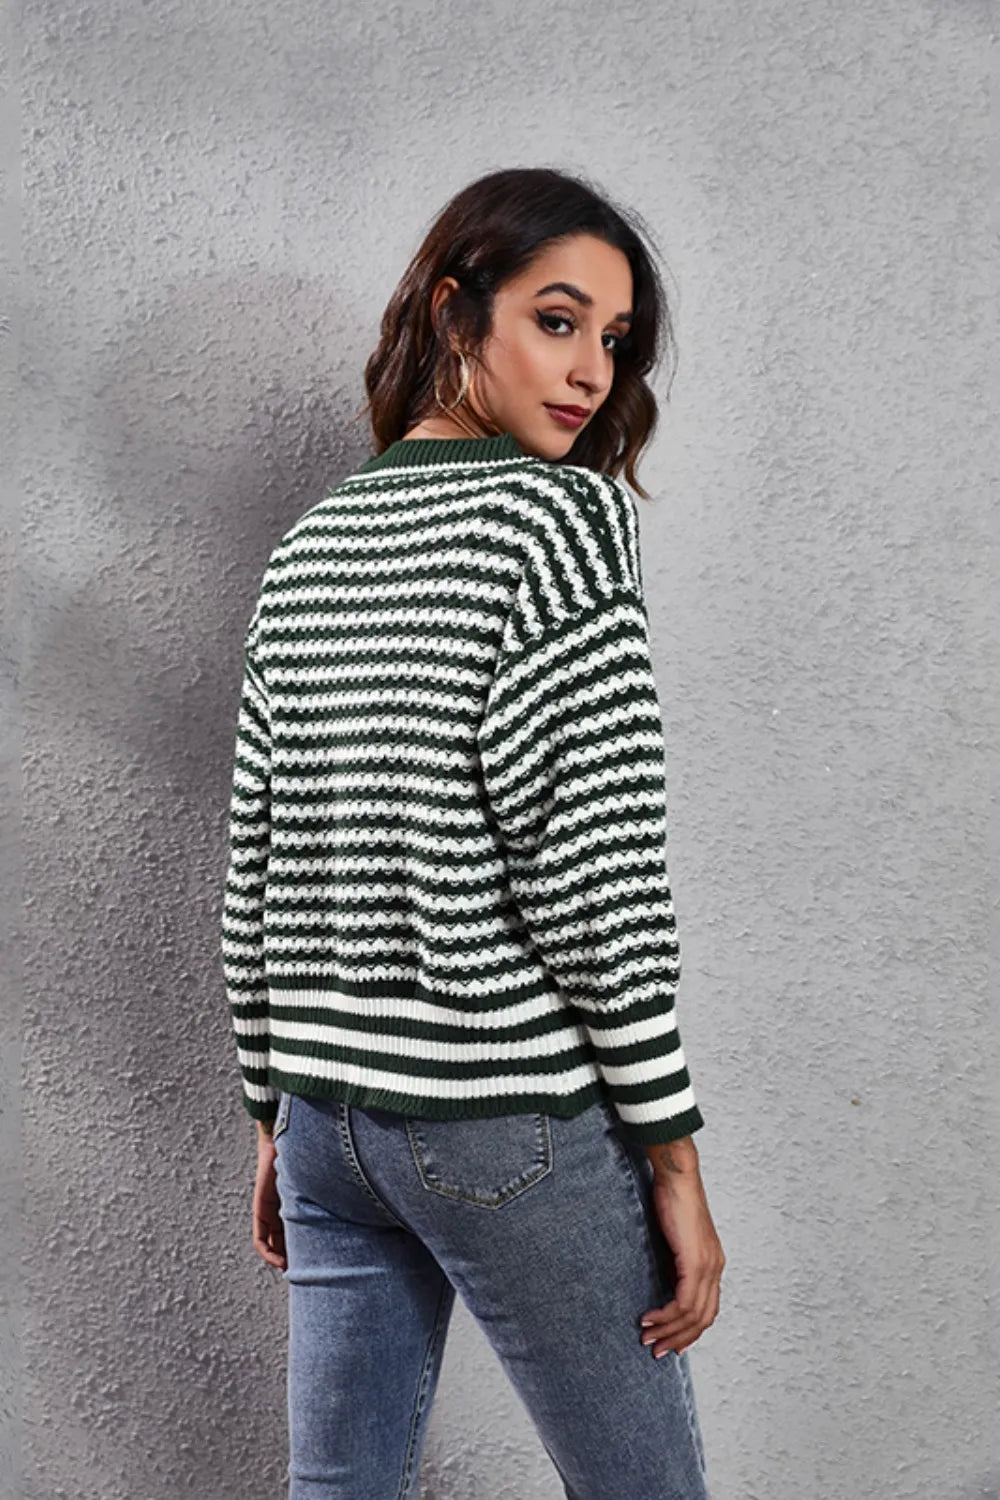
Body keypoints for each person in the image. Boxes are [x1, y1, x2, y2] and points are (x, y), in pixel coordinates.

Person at [221, 165, 725, 1500]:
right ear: (457, 313)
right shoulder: (562, 524)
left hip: (327, 1120)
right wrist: (673, 1157)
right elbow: (598, 881)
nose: (592, 372)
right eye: (557, 321)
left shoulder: (311, 545)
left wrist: (273, 1110)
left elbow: (256, 865)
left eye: (614, 339)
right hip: (494, 1115)